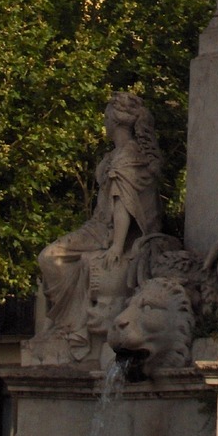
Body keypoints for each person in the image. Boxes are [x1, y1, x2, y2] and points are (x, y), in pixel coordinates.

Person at [36, 92, 163, 359]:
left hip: (103, 232)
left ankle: (69, 326)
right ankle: (66, 325)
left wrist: (117, 245)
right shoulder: (115, 155)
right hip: (96, 225)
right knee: (49, 259)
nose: (103, 123)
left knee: (49, 258)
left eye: (106, 117)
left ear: (116, 121)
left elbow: (123, 204)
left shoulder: (126, 157)